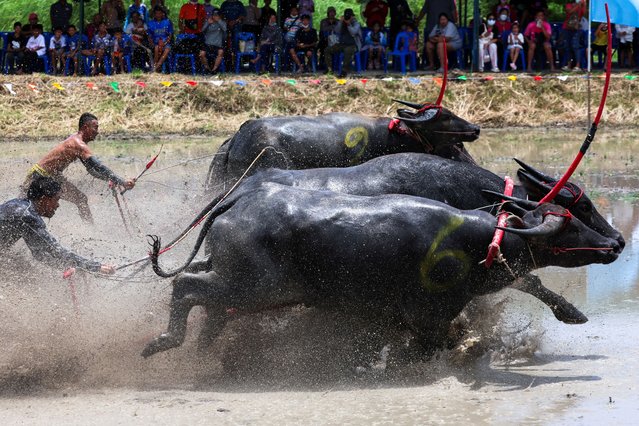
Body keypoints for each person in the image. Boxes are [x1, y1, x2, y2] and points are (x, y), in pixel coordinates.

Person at [21, 113, 135, 224]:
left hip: (53, 176)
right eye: (95, 128)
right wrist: (122, 181)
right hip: (39, 176)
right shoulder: (78, 144)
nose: (97, 132)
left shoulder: (77, 142)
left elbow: (91, 170)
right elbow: (98, 166)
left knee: (81, 199)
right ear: (85, 127)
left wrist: (110, 179)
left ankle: (90, 232)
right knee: (26, 207)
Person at [1, 176, 115, 275]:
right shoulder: (27, 216)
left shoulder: (17, 204)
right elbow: (54, 249)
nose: (57, 205)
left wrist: (70, 267)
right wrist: (95, 267)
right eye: (56, 199)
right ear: (44, 199)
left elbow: (39, 253)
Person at [325, 8, 362, 77]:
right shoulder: (342, 23)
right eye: (346, 16)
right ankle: (329, 70)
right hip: (342, 44)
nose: (348, 18)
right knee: (327, 50)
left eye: (349, 16)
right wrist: (340, 22)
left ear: (352, 16)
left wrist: (348, 24)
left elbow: (353, 32)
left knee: (347, 51)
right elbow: (336, 31)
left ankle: (344, 72)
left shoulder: (356, 23)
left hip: (353, 45)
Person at [560, 0, 586, 72]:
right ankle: (568, 65)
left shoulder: (581, 4)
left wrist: (583, 5)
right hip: (567, 28)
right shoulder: (569, 4)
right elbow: (569, 12)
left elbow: (583, 13)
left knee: (575, 46)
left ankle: (577, 66)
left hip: (576, 28)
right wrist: (578, 5)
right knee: (568, 47)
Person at [147, 6, 174, 72]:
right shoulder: (150, 23)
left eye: (160, 13)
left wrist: (165, 43)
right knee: (156, 48)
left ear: (163, 14)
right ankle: (156, 67)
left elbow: (170, 35)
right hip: (155, 43)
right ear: (154, 14)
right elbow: (149, 36)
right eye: (156, 13)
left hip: (166, 43)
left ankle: (156, 67)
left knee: (167, 49)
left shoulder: (167, 22)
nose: (158, 15)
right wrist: (152, 43)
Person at [199, 9, 227, 74]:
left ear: (220, 16)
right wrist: (208, 23)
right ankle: (207, 68)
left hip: (218, 44)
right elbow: (202, 30)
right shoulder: (208, 21)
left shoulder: (222, 22)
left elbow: (225, 28)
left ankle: (215, 69)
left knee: (221, 52)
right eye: (214, 15)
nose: (215, 16)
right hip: (208, 44)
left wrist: (219, 21)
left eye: (217, 15)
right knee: (201, 54)